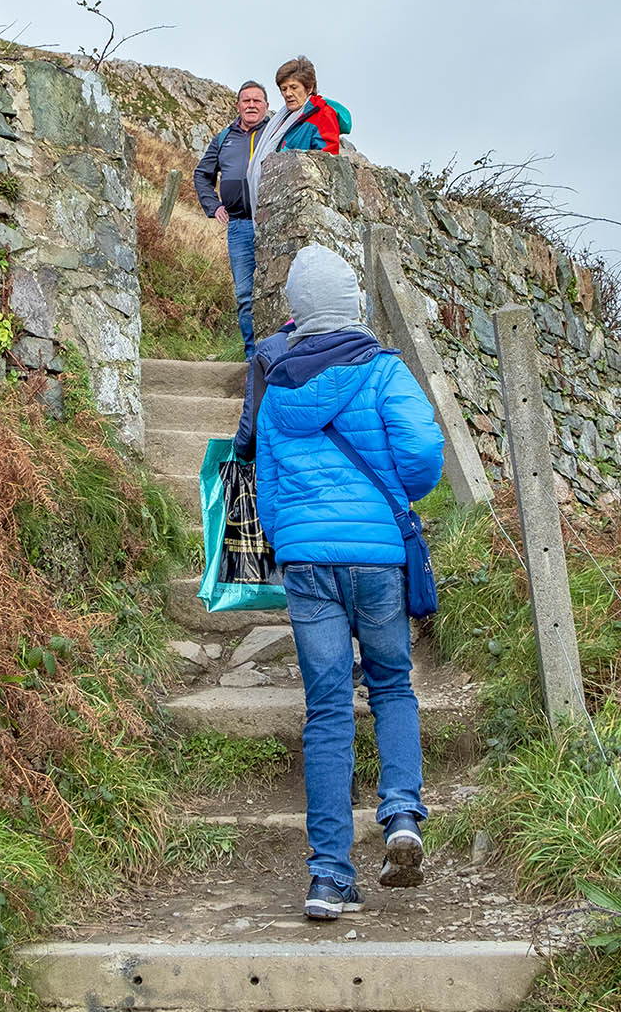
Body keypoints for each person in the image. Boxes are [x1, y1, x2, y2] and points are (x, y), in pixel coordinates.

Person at [253, 244, 444, 921]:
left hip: (307, 562)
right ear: (355, 304)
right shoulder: (384, 371)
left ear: (296, 312)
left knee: (327, 708)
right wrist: (399, 492)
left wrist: (291, 540)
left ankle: (328, 877)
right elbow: (422, 453)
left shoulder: (275, 385)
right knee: (391, 683)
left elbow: (266, 489)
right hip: (377, 556)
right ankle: (400, 814)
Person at [193, 80, 272, 356]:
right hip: (238, 226)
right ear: (238, 105)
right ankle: (252, 359)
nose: (251, 105)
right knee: (245, 295)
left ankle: (278, 354)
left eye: (256, 101)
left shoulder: (275, 133)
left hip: (272, 222)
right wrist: (213, 206)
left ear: (266, 106)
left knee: (280, 289)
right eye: (246, 100)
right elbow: (202, 175)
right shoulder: (223, 137)